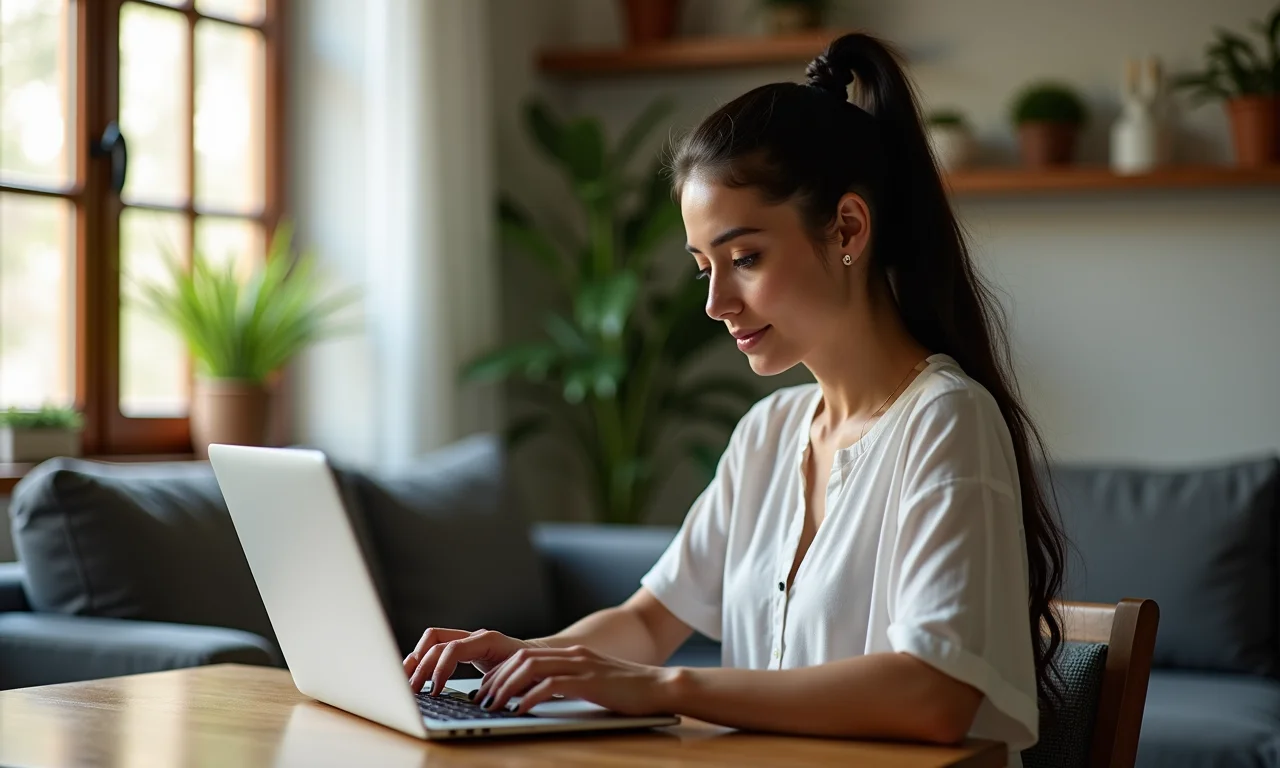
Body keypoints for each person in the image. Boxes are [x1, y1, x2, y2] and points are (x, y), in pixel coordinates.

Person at [403, 32, 1067, 762]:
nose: (717, 302)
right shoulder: (769, 432)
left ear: (848, 228)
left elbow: (935, 695)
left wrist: (668, 689)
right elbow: (649, 620)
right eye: (703, 267)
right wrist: (528, 660)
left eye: (745, 258)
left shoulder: (946, 420)